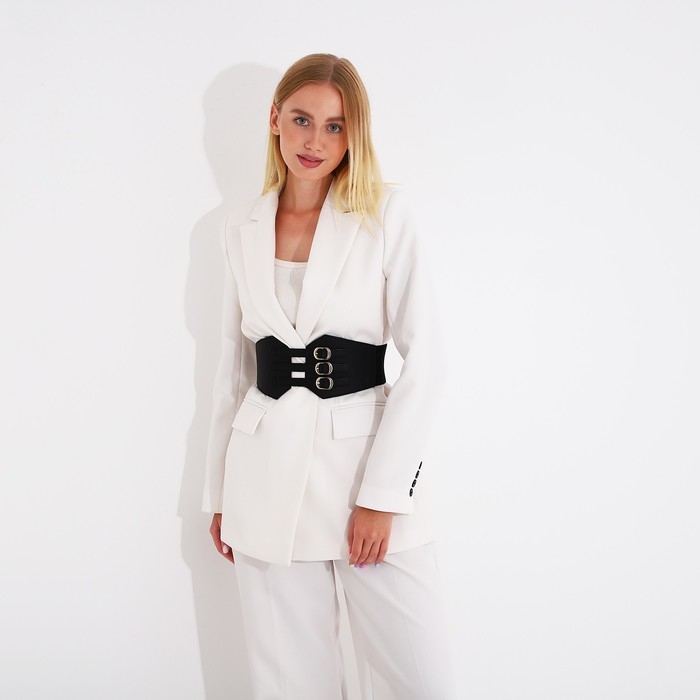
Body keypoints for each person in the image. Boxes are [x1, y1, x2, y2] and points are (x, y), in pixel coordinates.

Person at [203, 53, 456, 699]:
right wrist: (221, 495)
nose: (315, 141)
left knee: (422, 681)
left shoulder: (384, 214)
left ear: (354, 134)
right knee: (291, 686)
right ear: (274, 120)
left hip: (361, 481)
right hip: (263, 484)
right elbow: (232, 369)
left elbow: (426, 359)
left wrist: (383, 496)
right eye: (302, 119)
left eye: (335, 126)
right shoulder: (239, 226)